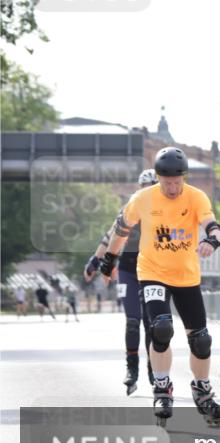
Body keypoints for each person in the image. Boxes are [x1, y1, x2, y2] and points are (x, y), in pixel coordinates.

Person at [100, 147, 220, 425]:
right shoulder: (143, 199)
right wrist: (109, 259)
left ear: (184, 177)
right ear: (158, 178)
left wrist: (211, 241)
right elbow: (120, 229)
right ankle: (162, 388)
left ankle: (203, 392)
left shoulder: (196, 197)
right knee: (161, 327)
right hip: (152, 272)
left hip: (186, 275)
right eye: (166, 182)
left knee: (201, 339)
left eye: (177, 182)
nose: (172, 188)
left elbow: (214, 226)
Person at [86, 168, 158, 395]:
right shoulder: (129, 209)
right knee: (133, 321)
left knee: (152, 324)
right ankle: (132, 368)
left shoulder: (164, 211)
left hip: (154, 271)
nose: (148, 191)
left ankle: (153, 368)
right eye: (145, 187)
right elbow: (110, 236)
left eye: (153, 187)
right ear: (140, 189)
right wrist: (95, 261)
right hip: (128, 270)